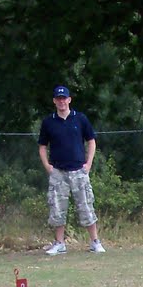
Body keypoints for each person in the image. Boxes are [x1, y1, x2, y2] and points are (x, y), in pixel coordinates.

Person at [38, 84, 104, 254]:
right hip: (58, 172)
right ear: (54, 101)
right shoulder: (48, 122)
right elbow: (42, 146)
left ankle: (95, 241)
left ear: (69, 100)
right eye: (58, 99)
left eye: (64, 98)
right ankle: (59, 243)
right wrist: (47, 166)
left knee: (86, 205)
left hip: (78, 171)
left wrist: (88, 164)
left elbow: (91, 141)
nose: (61, 102)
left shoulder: (80, 119)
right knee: (57, 207)